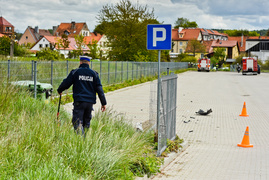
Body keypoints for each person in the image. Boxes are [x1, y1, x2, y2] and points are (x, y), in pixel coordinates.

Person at [57, 56, 107, 135]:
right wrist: (103, 103)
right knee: (86, 123)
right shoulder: (94, 74)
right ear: (89, 63)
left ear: (80, 62)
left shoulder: (75, 72)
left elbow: (66, 83)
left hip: (79, 102)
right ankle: (85, 140)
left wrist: (60, 90)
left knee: (77, 122)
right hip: (89, 103)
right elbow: (99, 89)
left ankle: (81, 141)